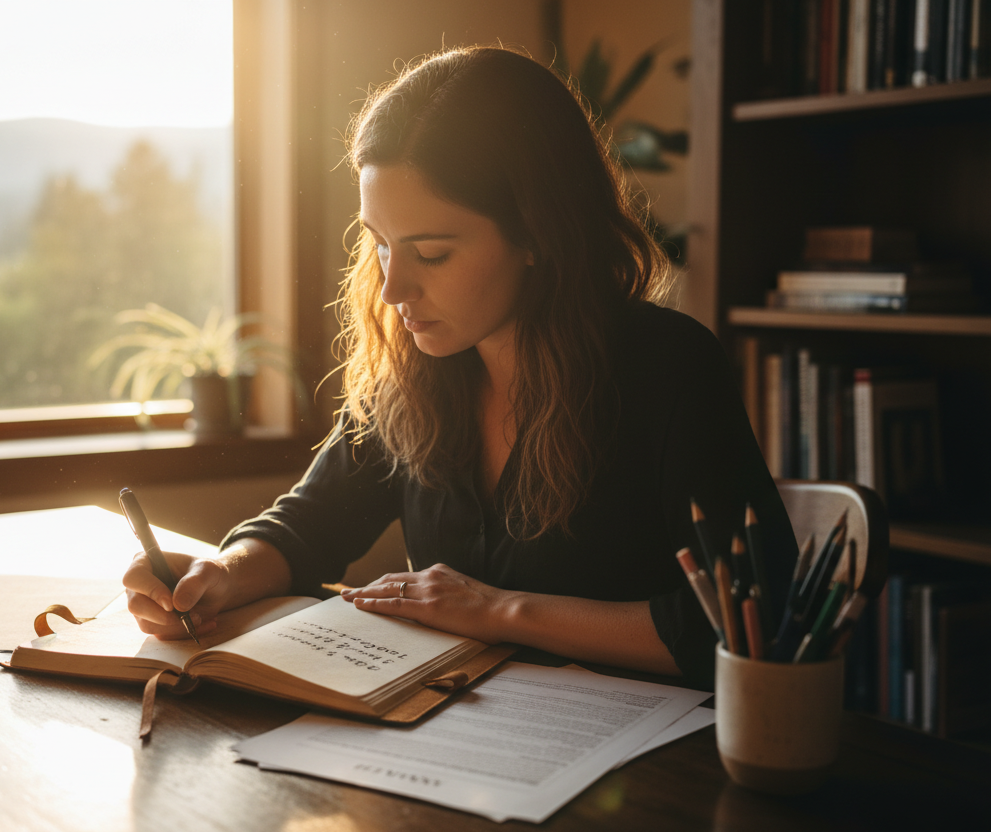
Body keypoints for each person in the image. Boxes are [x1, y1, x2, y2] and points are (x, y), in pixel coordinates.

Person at [123, 46, 796, 689]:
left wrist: (498, 610)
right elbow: (310, 524)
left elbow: (748, 617)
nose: (393, 289)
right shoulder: (420, 367)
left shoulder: (668, 368)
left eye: (433, 254)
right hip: (457, 741)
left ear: (539, 234)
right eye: (381, 244)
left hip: (645, 772)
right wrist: (222, 570)